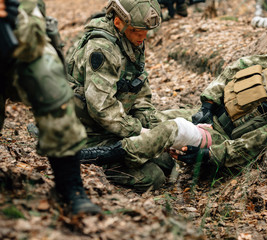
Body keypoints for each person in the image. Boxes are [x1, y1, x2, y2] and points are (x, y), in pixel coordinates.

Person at [77, 50, 267, 176]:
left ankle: (103, 155)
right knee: (143, 120)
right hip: (207, 115)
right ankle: (81, 137)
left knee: (167, 132)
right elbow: (243, 64)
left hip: (221, 137)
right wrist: (208, 102)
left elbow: (265, 137)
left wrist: (216, 157)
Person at [66, 0, 194, 192]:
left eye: (145, 31)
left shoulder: (130, 38)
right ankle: (91, 159)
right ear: (118, 22)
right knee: (153, 178)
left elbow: (139, 90)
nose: (143, 36)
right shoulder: (103, 48)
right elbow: (102, 109)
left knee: (167, 162)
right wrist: (139, 132)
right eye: (137, 30)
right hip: (87, 131)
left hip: (114, 126)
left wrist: (150, 123)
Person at [0, 0, 100, 215]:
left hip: (18, 49)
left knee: (47, 76)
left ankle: (69, 186)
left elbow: (30, 42)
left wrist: (9, 17)